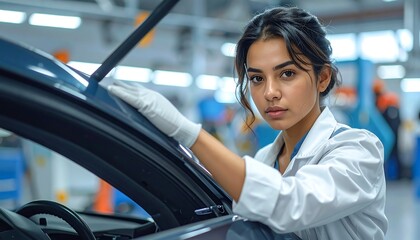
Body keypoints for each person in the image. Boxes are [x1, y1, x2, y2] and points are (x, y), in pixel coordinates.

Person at [107, 6, 388, 240]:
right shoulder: (265, 158)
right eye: (256, 78)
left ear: (323, 78)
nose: (269, 93)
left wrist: (188, 133)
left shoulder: (358, 149)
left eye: (287, 74)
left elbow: (290, 204)